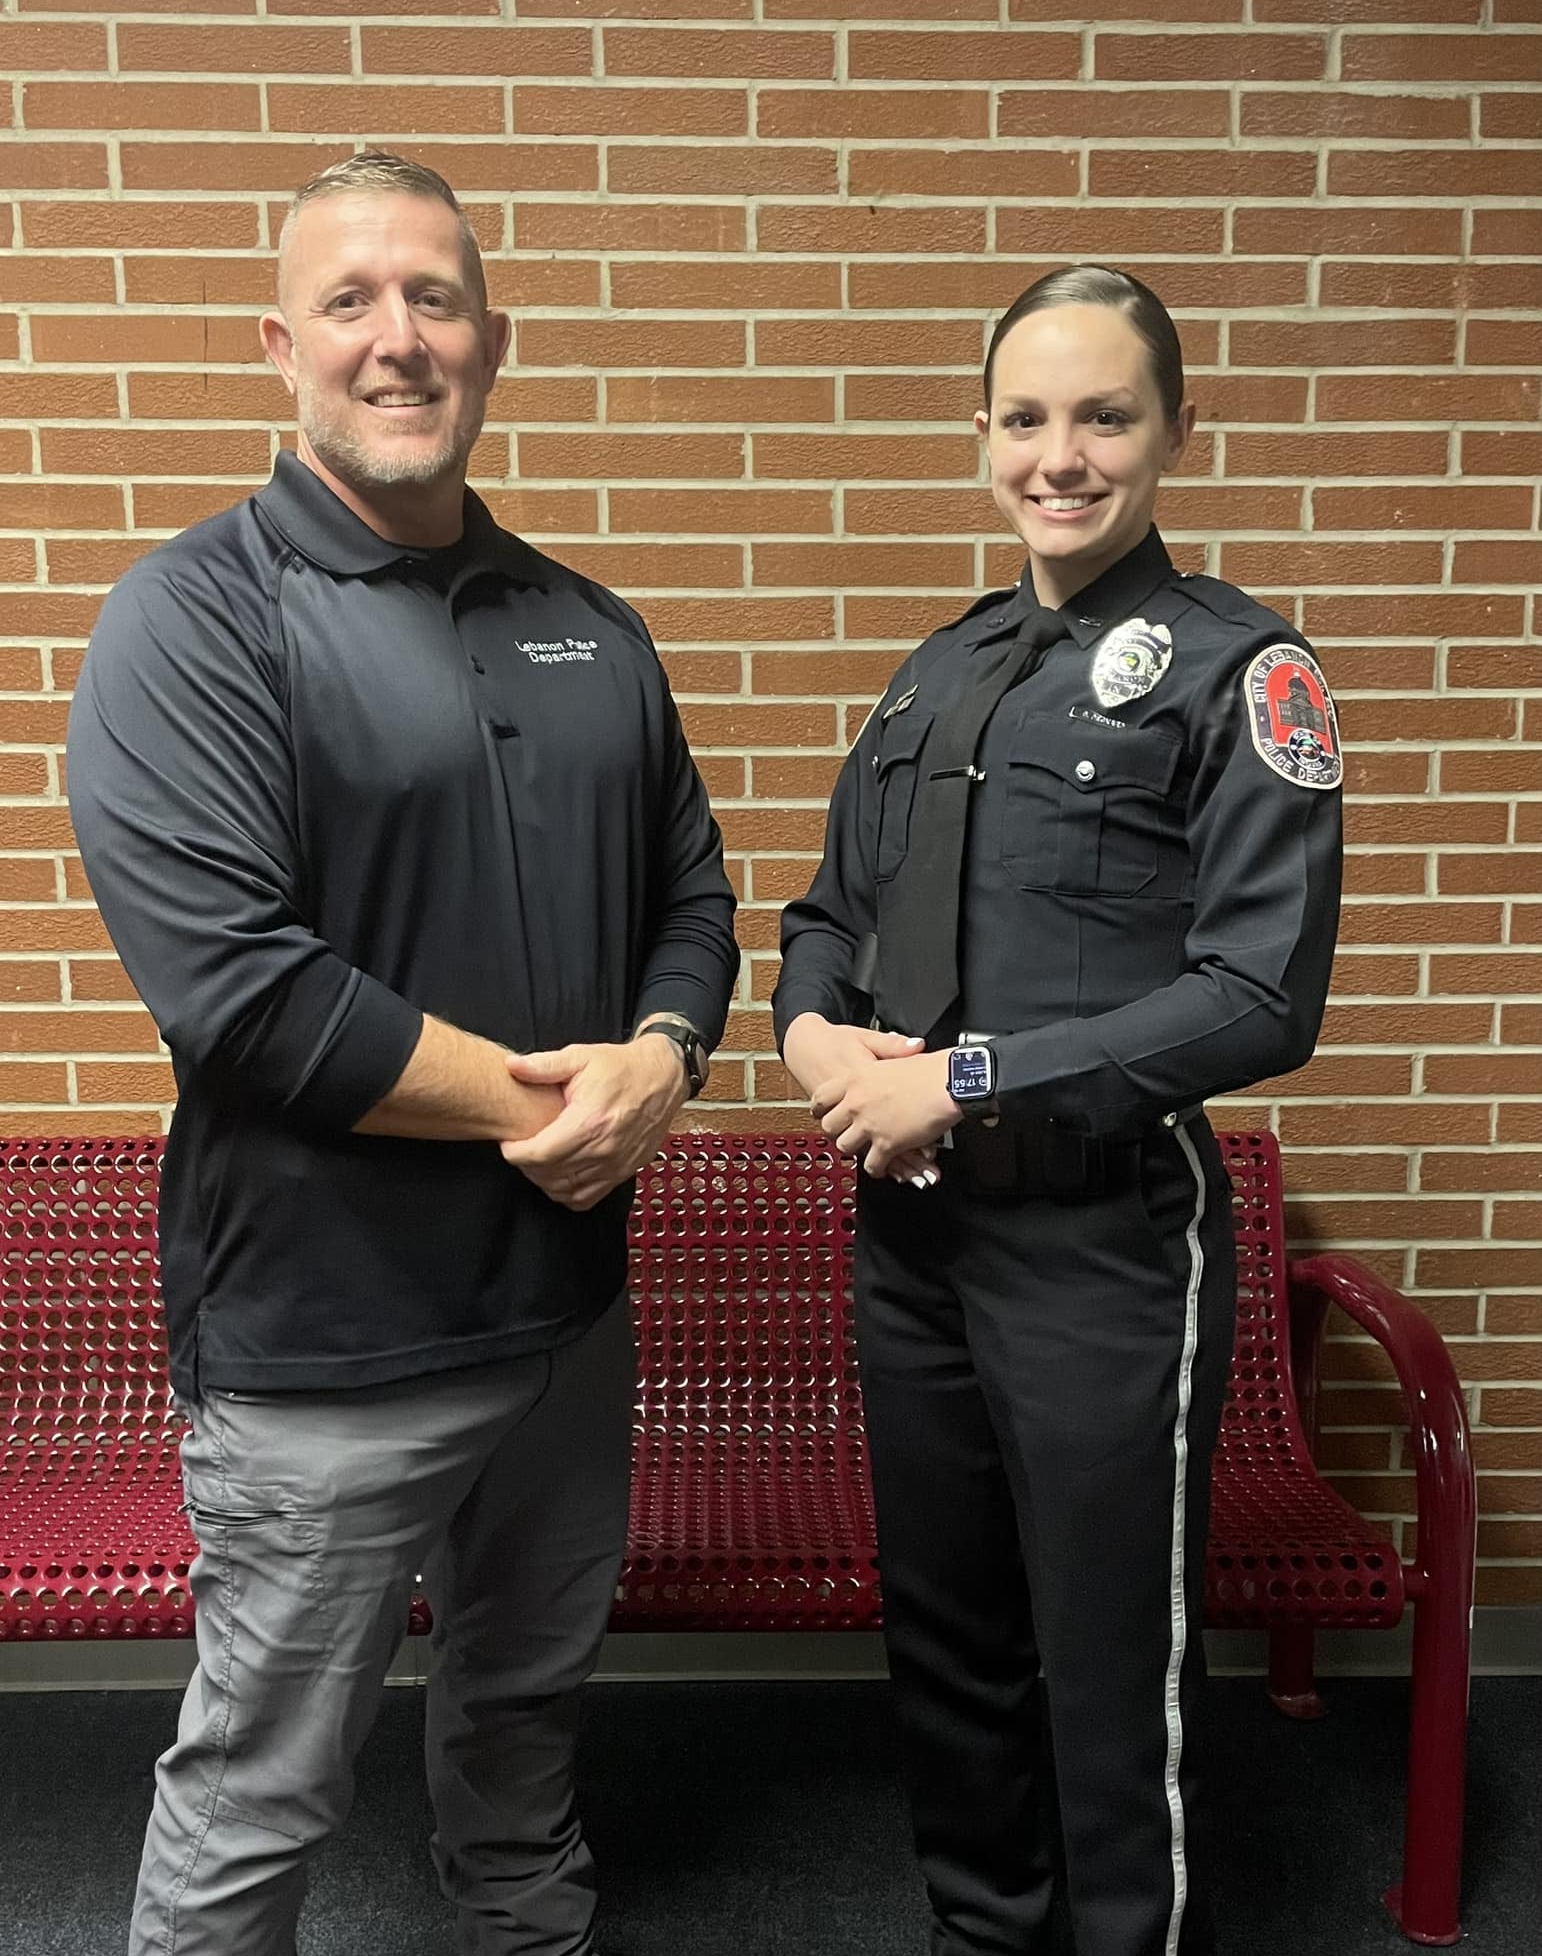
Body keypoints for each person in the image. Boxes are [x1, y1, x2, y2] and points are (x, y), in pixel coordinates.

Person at [67, 149, 738, 1956]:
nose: (397, 339)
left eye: (435, 298)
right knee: (261, 1792)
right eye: (350, 301)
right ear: (278, 344)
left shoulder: (588, 625)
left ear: (490, 340)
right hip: (328, 1349)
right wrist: (560, 1108)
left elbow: (689, 891)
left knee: (525, 1722)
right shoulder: (192, 618)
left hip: (565, 1322)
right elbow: (242, 991)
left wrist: (664, 1049)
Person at [775, 266, 1343, 1956]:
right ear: (982, 436)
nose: (1060, 456)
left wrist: (959, 1078)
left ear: (1175, 430)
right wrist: (814, 1044)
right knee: (948, 1635)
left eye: (1103, 416)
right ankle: (984, 1930)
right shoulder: (934, 674)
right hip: (915, 1239)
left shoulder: (1241, 669)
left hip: (1104, 1242)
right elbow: (823, 917)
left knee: (1104, 1655)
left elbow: (1259, 993)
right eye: (1025, 419)